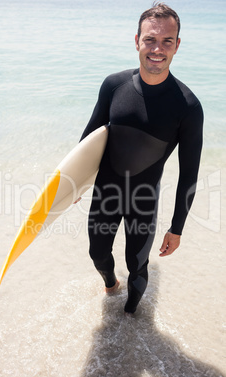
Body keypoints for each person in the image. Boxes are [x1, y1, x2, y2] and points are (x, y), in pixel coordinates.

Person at [79, 2, 203, 314]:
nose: (157, 49)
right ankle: (110, 285)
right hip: (105, 193)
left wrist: (177, 227)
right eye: (150, 39)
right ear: (137, 41)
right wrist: (70, 187)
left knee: (137, 265)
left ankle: (131, 320)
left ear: (177, 45)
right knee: (97, 255)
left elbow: (189, 174)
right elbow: (87, 140)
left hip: (143, 201)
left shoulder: (187, 107)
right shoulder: (114, 85)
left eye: (166, 41)